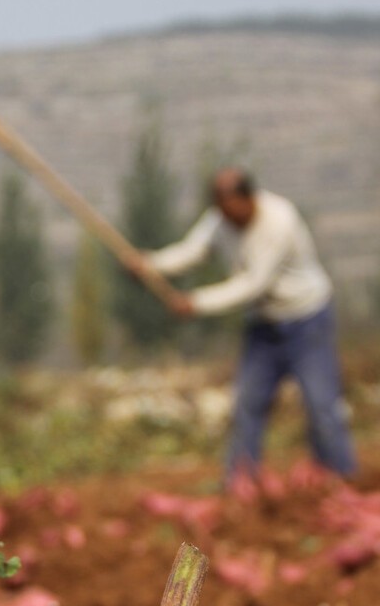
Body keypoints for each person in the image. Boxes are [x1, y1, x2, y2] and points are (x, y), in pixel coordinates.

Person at [135, 168, 357, 483]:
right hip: (263, 327)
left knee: (322, 409)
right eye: (220, 211)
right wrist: (150, 264)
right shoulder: (219, 219)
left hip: (307, 322)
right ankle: (240, 485)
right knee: (246, 408)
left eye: (230, 210)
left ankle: (341, 479)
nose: (226, 219)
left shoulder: (279, 221)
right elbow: (192, 251)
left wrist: (196, 303)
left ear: (248, 198)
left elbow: (253, 284)